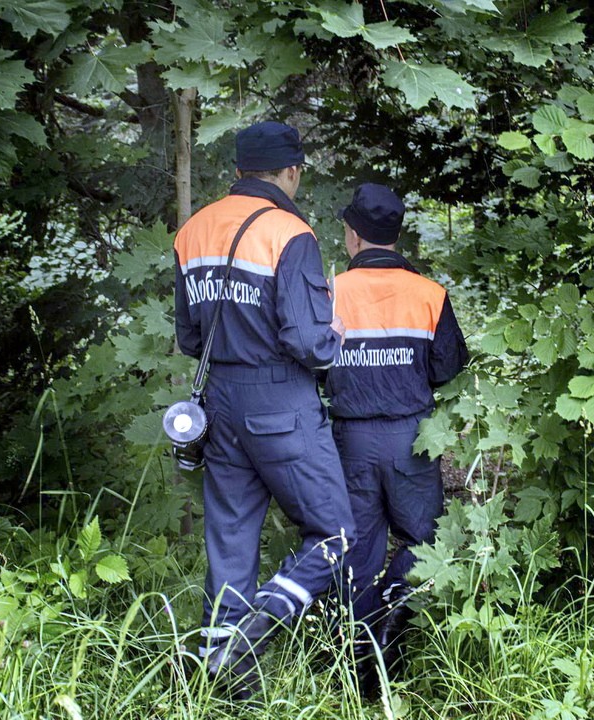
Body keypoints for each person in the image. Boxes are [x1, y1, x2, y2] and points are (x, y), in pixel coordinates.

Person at [172, 121, 355, 697]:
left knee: (230, 544)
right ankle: (263, 622)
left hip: (218, 402)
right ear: (292, 171)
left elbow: (188, 335)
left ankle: (224, 683)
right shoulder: (288, 231)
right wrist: (336, 337)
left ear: (238, 170)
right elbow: (306, 339)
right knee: (337, 535)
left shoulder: (193, 229)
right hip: (281, 400)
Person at [324, 183, 469, 690]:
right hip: (412, 438)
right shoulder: (430, 294)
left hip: (350, 441)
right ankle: (391, 623)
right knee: (425, 540)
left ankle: (358, 663)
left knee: (357, 550)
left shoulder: (331, 291)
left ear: (353, 235)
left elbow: (311, 361)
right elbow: (448, 366)